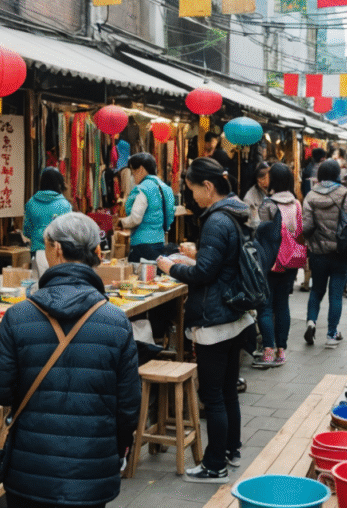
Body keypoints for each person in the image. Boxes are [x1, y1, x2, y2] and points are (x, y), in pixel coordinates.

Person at [0, 212, 140, 508]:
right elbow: (128, 407)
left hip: (29, 463)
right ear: (94, 252)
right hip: (91, 464)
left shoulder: (19, 316)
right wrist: (113, 450)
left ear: (54, 249)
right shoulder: (114, 321)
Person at [155, 158, 250, 484]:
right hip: (234, 314)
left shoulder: (216, 221)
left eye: (193, 189)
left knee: (213, 396)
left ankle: (214, 466)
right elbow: (220, 263)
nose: (192, 196)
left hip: (214, 319)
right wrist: (196, 255)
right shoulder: (236, 212)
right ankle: (230, 451)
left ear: (208, 187)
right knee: (227, 391)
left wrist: (171, 268)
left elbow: (204, 274)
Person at [252, 163, 303, 368]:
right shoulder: (296, 203)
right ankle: (282, 350)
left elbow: (261, 231)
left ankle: (267, 350)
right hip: (290, 261)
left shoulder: (268, 204)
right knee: (283, 304)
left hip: (270, 261)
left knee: (265, 306)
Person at [302, 159, 347, 348]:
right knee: (336, 294)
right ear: (337, 174)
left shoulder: (310, 196)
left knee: (316, 290)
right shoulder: (345, 194)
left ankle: (311, 322)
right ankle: (331, 334)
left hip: (318, 252)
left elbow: (306, 227)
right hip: (340, 252)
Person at [116, 153, 175, 263]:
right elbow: (170, 215)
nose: (133, 177)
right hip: (159, 241)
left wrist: (121, 223)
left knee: (138, 278)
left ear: (141, 169)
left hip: (141, 245)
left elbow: (135, 218)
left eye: (133, 172)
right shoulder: (165, 188)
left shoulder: (144, 188)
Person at [23, 167, 73, 279]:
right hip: (59, 252)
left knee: (39, 285)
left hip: (37, 251)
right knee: (57, 284)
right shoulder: (65, 205)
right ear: (58, 183)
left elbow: (26, 231)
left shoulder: (31, 203)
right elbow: (69, 232)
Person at [242, 162, 270, 229]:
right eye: (269, 176)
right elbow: (251, 223)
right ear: (259, 179)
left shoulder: (272, 190)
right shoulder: (249, 197)